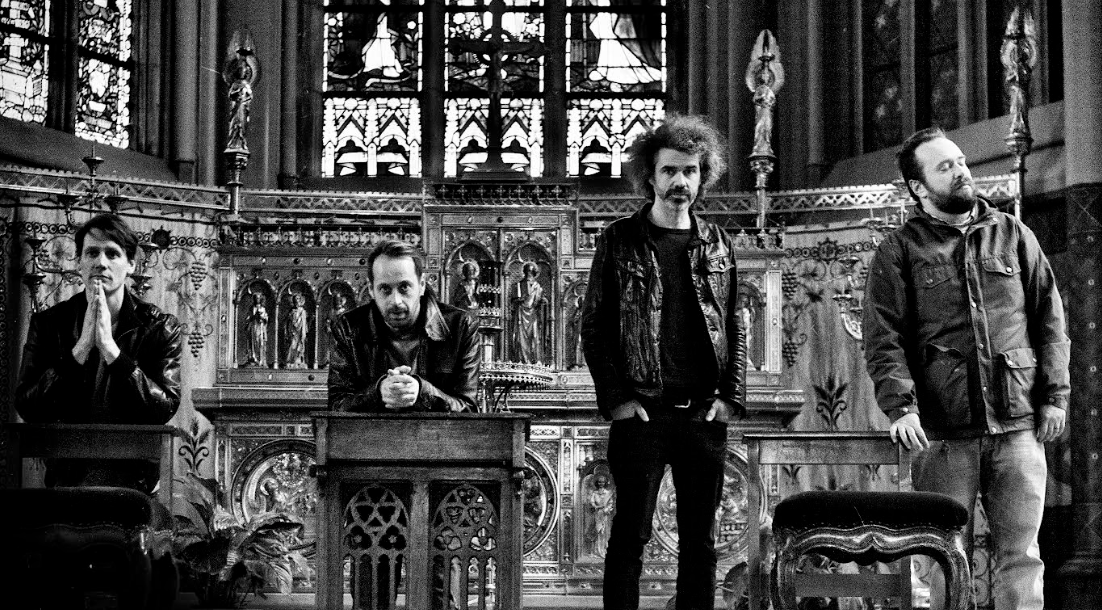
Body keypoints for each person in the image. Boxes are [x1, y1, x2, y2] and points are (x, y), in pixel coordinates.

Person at [862, 127, 1069, 610]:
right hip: (942, 433)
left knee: (1022, 558)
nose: (961, 172)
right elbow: (883, 337)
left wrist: (1055, 396)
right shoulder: (899, 250)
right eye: (945, 167)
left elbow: (1050, 319)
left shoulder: (1014, 234)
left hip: (1018, 425)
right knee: (942, 559)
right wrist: (901, 408)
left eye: (959, 161)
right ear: (918, 187)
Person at [580, 114, 748, 610]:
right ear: (650, 176)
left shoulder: (717, 242)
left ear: (703, 176)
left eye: (690, 171)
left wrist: (730, 398)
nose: (680, 182)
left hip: (702, 415)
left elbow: (735, 324)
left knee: (700, 542)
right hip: (643, 414)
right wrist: (617, 399)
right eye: (670, 171)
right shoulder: (619, 239)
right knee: (629, 536)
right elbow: (594, 326)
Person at [328, 240, 480, 609]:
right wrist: (378, 393)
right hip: (371, 484)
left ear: (423, 284)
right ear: (371, 290)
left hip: (443, 482)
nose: (395, 300)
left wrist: (423, 392)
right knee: (371, 599)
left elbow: (471, 411)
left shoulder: (460, 326)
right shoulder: (348, 328)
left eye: (404, 287)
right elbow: (335, 409)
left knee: (440, 598)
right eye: (384, 289)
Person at [16, 214, 183, 494]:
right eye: (92, 253)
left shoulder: (160, 327)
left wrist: (110, 349)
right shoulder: (48, 324)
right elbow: (27, 405)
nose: (101, 263)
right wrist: (81, 349)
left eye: (112, 254)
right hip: (67, 480)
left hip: (134, 484)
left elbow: (163, 408)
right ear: (79, 262)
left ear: (131, 265)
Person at [511, 261, 546, 364]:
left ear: (534, 273)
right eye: (527, 272)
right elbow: (513, 301)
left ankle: (534, 360)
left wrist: (542, 301)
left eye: (530, 272)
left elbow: (540, 301)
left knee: (534, 336)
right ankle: (521, 360)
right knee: (520, 337)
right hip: (521, 313)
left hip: (533, 314)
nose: (528, 274)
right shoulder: (519, 285)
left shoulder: (537, 286)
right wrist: (519, 299)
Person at [285, 292, 309, 369]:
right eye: (295, 299)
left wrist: (303, 333)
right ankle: (291, 361)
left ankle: (298, 361)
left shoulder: (302, 311)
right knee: (293, 345)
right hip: (293, 332)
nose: (297, 301)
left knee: (300, 346)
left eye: (298, 299)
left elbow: (304, 323)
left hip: (300, 331)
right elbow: (288, 322)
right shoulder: (292, 311)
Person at [245, 291, 269, 367]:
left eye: (258, 298)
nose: (257, 299)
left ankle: (261, 360)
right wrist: (254, 316)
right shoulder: (252, 308)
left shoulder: (263, 309)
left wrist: (262, 318)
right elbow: (248, 318)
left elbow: (266, 319)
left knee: (261, 343)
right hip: (254, 327)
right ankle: (253, 359)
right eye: (256, 298)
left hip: (261, 328)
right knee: (254, 342)